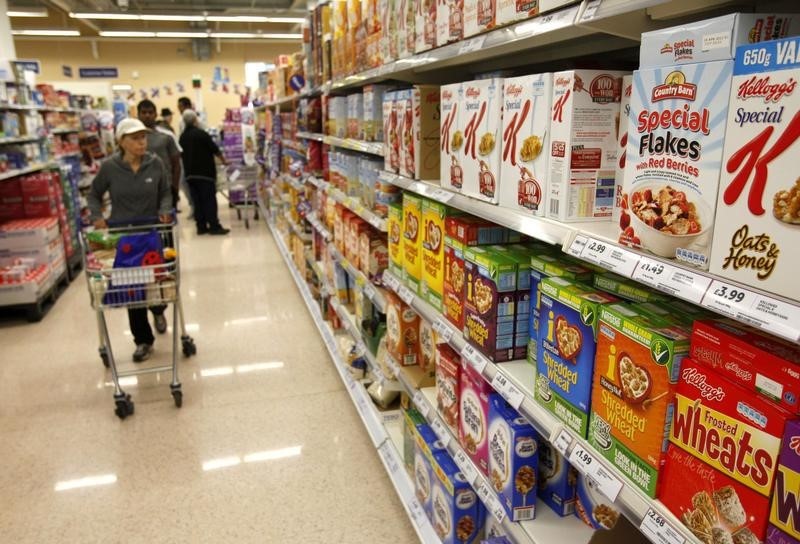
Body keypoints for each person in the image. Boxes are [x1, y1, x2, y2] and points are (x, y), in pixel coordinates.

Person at [88, 118, 173, 363]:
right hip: (123, 237)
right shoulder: (110, 168)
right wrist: (97, 217)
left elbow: (165, 191)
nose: (141, 142)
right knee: (132, 288)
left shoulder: (154, 164)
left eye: (143, 137)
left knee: (156, 285)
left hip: (152, 233)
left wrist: (165, 209)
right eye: (135, 138)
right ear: (121, 141)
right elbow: (94, 195)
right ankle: (143, 340)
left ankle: (157, 310)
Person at [180, 109, 230, 235]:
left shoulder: (182, 137)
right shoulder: (201, 134)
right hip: (205, 174)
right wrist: (224, 161)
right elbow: (215, 149)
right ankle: (214, 226)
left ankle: (201, 227)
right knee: (209, 201)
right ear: (196, 120)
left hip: (190, 174)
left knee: (197, 202)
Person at [137, 99, 181, 209]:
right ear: (138, 115)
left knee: (165, 224)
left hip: (164, 188)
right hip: (139, 189)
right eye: (143, 112)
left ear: (156, 115)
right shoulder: (130, 138)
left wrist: (175, 188)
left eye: (150, 112)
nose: (147, 115)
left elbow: (176, 164)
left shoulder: (166, 136)